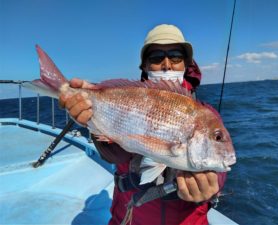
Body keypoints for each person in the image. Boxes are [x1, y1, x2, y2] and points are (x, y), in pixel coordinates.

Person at [59, 24, 226, 225]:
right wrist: (91, 118)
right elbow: (116, 155)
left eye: (175, 56)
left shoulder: (206, 114)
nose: (167, 64)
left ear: (186, 65)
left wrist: (214, 182)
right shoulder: (129, 99)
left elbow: (221, 164)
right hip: (129, 218)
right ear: (145, 67)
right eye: (156, 57)